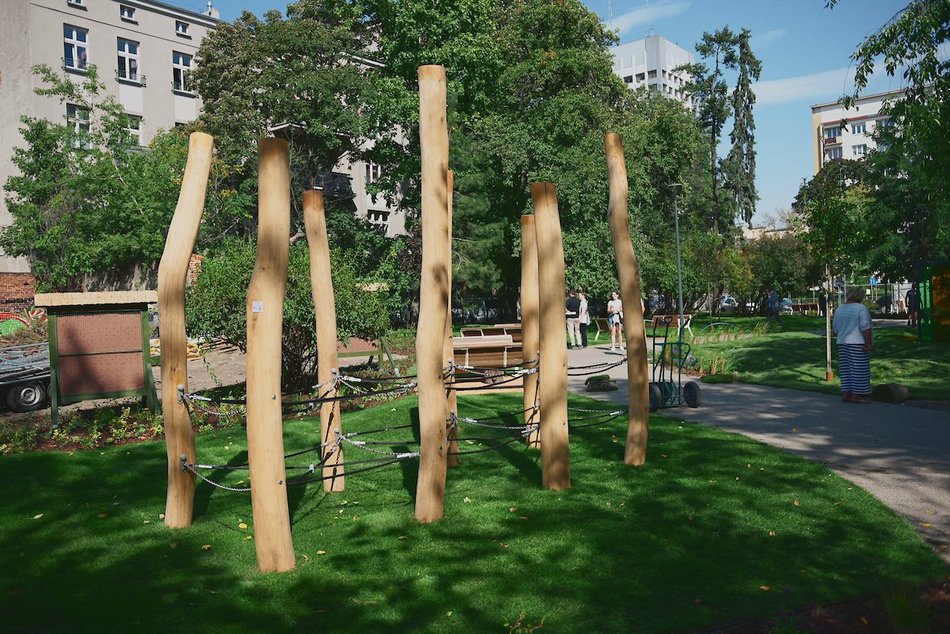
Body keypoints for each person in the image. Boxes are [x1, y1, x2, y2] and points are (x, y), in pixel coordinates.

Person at [833, 286, 873, 403]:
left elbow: (835, 327)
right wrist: (868, 343)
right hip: (857, 342)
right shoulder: (861, 308)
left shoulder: (840, 308)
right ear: (859, 296)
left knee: (846, 369)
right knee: (859, 369)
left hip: (843, 342)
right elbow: (865, 326)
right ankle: (857, 394)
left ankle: (846, 393)